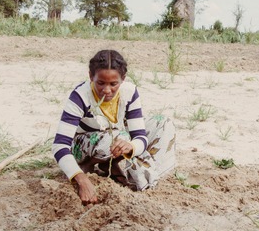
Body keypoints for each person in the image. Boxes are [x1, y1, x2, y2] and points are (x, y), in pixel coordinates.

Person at [52, 49, 176, 204]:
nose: (107, 90)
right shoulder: (80, 96)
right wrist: (80, 179)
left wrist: (131, 147)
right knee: (119, 137)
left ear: (122, 79)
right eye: (100, 83)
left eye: (113, 84)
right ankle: (93, 165)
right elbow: (59, 146)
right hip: (85, 146)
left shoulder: (129, 92)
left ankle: (144, 173)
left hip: (116, 141)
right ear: (91, 77)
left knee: (162, 123)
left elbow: (140, 137)